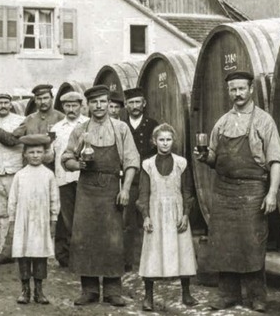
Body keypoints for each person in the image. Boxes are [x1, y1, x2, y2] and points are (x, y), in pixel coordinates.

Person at [194, 71, 280, 313]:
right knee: (223, 243)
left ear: (251, 89)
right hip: (223, 190)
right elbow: (213, 156)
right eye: (233, 89)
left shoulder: (264, 121)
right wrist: (205, 157)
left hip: (253, 189)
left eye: (241, 89)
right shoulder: (222, 122)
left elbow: (275, 160)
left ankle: (257, 296)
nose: (237, 94)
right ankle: (227, 295)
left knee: (252, 243)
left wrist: (272, 193)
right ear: (229, 91)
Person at [61, 85, 140, 307]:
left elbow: (132, 162)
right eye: (94, 102)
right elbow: (66, 158)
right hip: (86, 189)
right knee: (86, 238)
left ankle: (114, 290)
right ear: (88, 105)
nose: (99, 106)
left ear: (108, 103)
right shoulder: (80, 130)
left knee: (112, 239)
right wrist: (78, 164)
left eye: (103, 101)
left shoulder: (121, 128)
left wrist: (125, 189)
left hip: (112, 189)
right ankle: (89, 290)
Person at [136, 124, 197, 311]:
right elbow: (143, 192)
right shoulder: (147, 164)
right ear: (154, 141)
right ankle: (148, 297)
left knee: (183, 251)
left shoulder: (181, 163)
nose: (165, 143)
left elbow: (187, 191)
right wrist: (145, 216)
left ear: (173, 141)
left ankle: (186, 293)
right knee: (151, 253)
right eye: (161, 140)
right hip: (155, 212)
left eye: (168, 139)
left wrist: (186, 214)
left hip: (176, 212)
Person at [8, 134, 59, 305]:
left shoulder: (49, 175)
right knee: (23, 254)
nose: (35, 155)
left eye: (39, 152)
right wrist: (12, 221)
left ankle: (39, 290)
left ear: (44, 153)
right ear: (24, 154)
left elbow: (54, 198)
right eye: (31, 152)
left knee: (40, 255)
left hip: (41, 221)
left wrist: (53, 219)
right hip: (23, 221)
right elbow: (13, 200)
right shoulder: (20, 175)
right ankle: (25, 290)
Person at [122, 87, 159, 271]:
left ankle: (150, 262)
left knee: (149, 219)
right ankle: (129, 261)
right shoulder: (120, 125)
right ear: (126, 105)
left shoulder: (153, 125)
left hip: (148, 179)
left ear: (144, 104)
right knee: (127, 222)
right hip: (128, 180)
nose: (135, 106)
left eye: (138, 102)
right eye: (131, 103)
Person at [0, 93, 24, 264]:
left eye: (6, 102)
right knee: (0, 213)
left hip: (14, 170)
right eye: (0, 102)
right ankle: (2, 248)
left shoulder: (20, 120)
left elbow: (12, 140)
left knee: (15, 211)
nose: (3, 105)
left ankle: (17, 249)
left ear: (11, 103)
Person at [50, 91, 88, 267]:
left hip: (84, 177)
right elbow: (51, 155)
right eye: (67, 106)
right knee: (66, 218)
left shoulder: (89, 124)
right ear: (63, 107)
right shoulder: (56, 128)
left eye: (74, 105)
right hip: (63, 178)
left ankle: (84, 254)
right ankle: (65, 256)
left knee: (85, 217)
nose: (71, 109)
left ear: (81, 106)